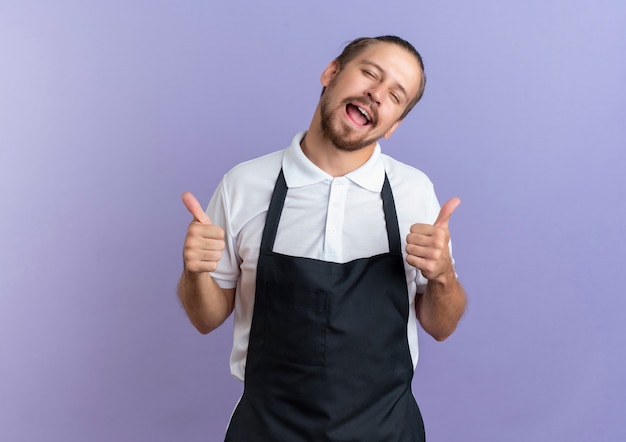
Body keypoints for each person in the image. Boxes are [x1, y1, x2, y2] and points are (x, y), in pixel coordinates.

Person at [178, 35, 467, 441]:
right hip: (268, 430)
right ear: (332, 72)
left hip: (385, 431)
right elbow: (205, 318)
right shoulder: (244, 184)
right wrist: (194, 273)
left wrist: (442, 277)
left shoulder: (414, 193)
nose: (376, 94)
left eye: (395, 95)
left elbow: (441, 326)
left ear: (394, 124)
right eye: (369, 72)